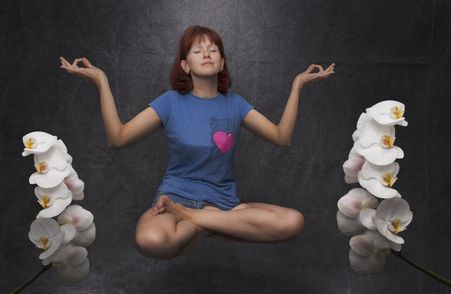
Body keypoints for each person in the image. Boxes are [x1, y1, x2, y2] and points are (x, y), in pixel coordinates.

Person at [59, 25, 335, 259]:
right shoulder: (170, 102)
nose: (206, 54)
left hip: (224, 203)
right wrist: (101, 81)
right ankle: (209, 221)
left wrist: (297, 85)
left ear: (222, 62)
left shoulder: (235, 105)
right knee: (151, 240)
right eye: (197, 50)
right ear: (185, 65)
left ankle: (198, 219)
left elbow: (281, 137)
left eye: (213, 50)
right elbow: (117, 138)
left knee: (293, 222)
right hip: (177, 196)